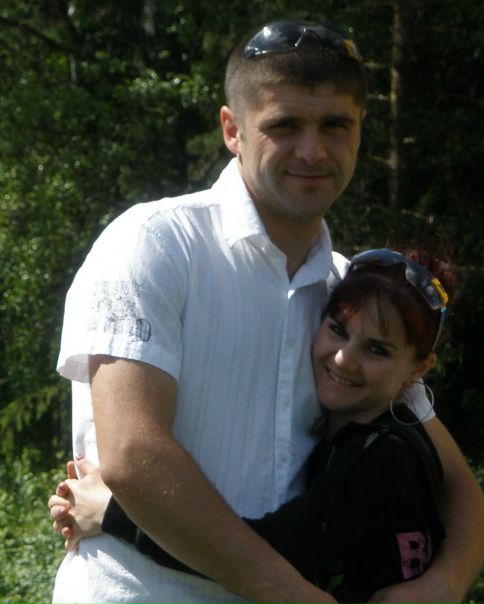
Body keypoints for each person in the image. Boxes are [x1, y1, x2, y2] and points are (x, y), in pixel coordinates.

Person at [50, 19, 484, 604]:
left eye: (335, 125)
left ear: (361, 131)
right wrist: (293, 595)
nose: (313, 151)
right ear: (233, 129)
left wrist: (445, 584)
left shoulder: (346, 295)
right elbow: (134, 455)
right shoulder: (156, 243)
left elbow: (457, 482)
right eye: (284, 126)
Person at [51, 248, 453, 604]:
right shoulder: (368, 436)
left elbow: (268, 554)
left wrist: (112, 515)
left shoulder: (384, 457)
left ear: (418, 370)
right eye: (338, 329)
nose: (344, 359)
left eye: (377, 350)